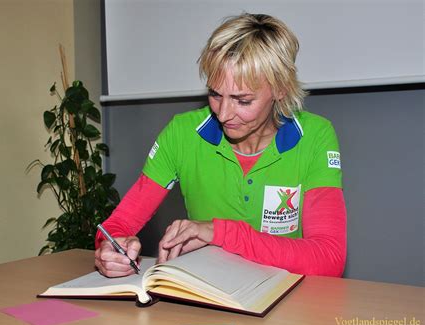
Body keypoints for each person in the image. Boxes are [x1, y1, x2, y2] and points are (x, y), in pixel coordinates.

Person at [95, 13, 346, 278]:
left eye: (243, 100)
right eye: (215, 94)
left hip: (287, 303)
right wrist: (111, 250)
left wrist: (219, 233)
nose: (223, 114)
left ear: (281, 89)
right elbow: (117, 226)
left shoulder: (316, 136)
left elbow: (329, 259)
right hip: (208, 296)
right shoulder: (182, 133)